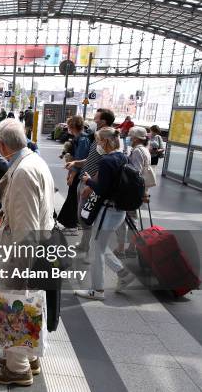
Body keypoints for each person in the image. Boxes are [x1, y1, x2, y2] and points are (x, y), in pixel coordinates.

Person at [0, 118, 55, 387]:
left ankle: (18, 368)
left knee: (15, 303)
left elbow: (25, 228)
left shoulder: (23, 172)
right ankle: (30, 357)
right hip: (39, 245)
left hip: (23, 252)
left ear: (2, 145)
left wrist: (20, 270)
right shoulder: (34, 161)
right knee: (30, 302)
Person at [74, 128, 136, 301]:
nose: (98, 145)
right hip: (119, 211)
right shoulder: (123, 156)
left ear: (106, 142)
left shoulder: (107, 161)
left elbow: (102, 189)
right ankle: (124, 274)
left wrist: (88, 181)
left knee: (97, 250)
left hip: (107, 212)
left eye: (99, 141)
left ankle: (97, 290)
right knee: (99, 245)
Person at [64, 108, 115, 256]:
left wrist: (92, 185)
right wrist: (75, 164)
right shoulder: (98, 137)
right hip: (86, 180)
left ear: (104, 121)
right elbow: (91, 159)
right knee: (83, 216)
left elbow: (106, 165)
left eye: (97, 118)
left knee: (86, 216)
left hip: (90, 184)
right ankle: (85, 245)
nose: (94, 120)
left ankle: (90, 249)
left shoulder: (107, 138)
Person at [114, 127, 150, 258]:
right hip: (138, 190)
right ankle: (132, 248)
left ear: (135, 138)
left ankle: (121, 248)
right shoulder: (144, 150)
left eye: (129, 135)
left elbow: (135, 172)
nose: (127, 138)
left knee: (124, 220)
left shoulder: (137, 152)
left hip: (131, 191)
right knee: (132, 218)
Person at [57, 116, 89, 235]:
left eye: (69, 125)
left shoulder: (82, 139)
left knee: (73, 198)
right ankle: (71, 224)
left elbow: (79, 159)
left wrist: (72, 175)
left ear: (72, 126)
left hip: (79, 174)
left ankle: (72, 226)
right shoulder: (79, 138)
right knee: (72, 198)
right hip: (76, 172)